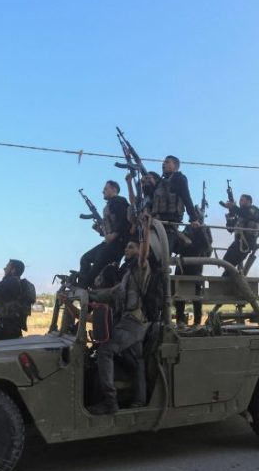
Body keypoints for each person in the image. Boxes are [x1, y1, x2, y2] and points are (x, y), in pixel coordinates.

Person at [87, 224, 153, 414]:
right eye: (126, 248)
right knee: (137, 361)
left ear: (140, 250)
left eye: (131, 247)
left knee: (104, 352)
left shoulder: (141, 269)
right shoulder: (127, 276)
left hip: (133, 322)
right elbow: (110, 293)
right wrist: (88, 295)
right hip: (130, 323)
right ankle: (140, 400)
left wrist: (145, 233)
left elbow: (143, 256)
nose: (126, 250)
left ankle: (110, 402)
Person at [142, 155, 200, 255]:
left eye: (167, 162)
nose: (163, 164)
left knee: (163, 255)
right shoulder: (160, 183)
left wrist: (194, 218)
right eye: (164, 162)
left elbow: (186, 197)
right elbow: (151, 199)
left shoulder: (179, 178)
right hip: (155, 223)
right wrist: (146, 185)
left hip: (170, 224)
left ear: (175, 166)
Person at [78, 180, 131, 288]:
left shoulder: (120, 201)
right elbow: (109, 230)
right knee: (85, 258)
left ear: (114, 189)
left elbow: (124, 221)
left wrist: (114, 234)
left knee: (97, 268)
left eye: (106, 189)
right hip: (109, 243)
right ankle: (84, 284)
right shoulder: (109, 206)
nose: (103, 191)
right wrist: (100, 230)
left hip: (118, 244)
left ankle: (84, 287)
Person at [174, 204, 213, 326]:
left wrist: (199, 229)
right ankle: (180, 321)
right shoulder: (186, 229)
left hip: (195, 265)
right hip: (182, 265)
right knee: (179, 296)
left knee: (196, 297)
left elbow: (206, 245)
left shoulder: (204, 228)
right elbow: (177, 247)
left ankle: (197, 323)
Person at [222, 194, 259, 273]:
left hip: (246, 243)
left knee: (230, 264)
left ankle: (229, 282)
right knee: (225, 260)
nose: (240, 202)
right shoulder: (240, 214)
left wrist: (233, 207)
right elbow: (230, 229)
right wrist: (229, 219)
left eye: (242, 200)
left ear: (249, 201)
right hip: (238, 242)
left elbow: (247, 214)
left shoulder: (254, 210)